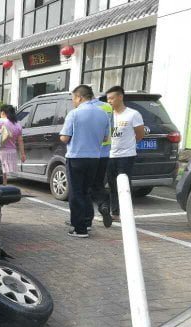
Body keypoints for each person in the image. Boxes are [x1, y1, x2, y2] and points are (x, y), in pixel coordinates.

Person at [59, 85, 110, 238]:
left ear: (80, 97)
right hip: (95, 158)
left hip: (76, 158)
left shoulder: (74, 114)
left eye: (74, 98)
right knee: (86, 191)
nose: (73, 102)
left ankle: (79, 228)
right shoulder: (103, 114)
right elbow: (106, 138)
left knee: (75, 192)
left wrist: (63, 137)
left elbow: (65, 137)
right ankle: (87, 223)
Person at [106, 85, 145, 219]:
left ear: (120, 97)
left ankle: (127, 213)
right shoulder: (108, 115)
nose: (109, 101)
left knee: (124, 185)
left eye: (111, 98)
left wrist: (129, 146)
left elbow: (139, 135)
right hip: (110, 155)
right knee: (112, 185)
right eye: (108, 99)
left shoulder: (133, 114)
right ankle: (115, 213)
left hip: (126, 156)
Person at [86, 96, 114, 228]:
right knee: (98, 183)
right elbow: (111, 128)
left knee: (83, 187)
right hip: (105, 152)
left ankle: (85, 219)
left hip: (89, 152)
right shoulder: (107, 106)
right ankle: (104, 205)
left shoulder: (86, 108)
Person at [0, 105, 25, 185]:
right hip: (12, 151)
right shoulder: (17, 125)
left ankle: (2, 185)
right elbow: (20, 141)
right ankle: (5, 185)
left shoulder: (1, 121)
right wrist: (22, 154)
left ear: (3, 113)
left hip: (1, 150)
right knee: (5, 172)